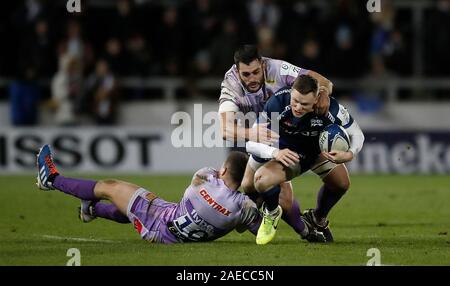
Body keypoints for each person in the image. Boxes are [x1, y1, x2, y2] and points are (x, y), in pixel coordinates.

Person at [218, 45, 333, 240]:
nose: (252, 78)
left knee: (338, 183)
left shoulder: (278, 69)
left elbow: (324, 81)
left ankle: (313, 222)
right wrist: (252, 133)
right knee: (249, 186)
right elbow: (225, 129)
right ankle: (297, 228)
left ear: (263, 65)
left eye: (256, 72)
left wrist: (323, 94)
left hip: (298, 132)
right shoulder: (231, 84)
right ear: (238, 72)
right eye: (246, 74)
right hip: (266, 135)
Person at [36, 145, 261, 243]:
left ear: (223, 169)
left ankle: (52, 179)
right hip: (170, 232)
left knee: (109, 186)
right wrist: (257, 194)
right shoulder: (244, 208)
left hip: (158, 221)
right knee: (131, 207)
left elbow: (209, 178)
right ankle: (90, 209)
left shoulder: (204, 178)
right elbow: (254, 229)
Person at [245, 74, 365, 245]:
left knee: (342, 184)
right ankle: (271, 213)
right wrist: (275, 153)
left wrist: (350, 154)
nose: (298, 107)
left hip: (315, 153)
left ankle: (317, 219)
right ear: (291, 92)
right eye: (295, 101)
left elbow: (357, 134)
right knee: (259, 181)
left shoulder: (331, 108)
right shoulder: (278, 102)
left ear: (317, 99)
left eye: (305, 104)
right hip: (288, 154)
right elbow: (250, 144)